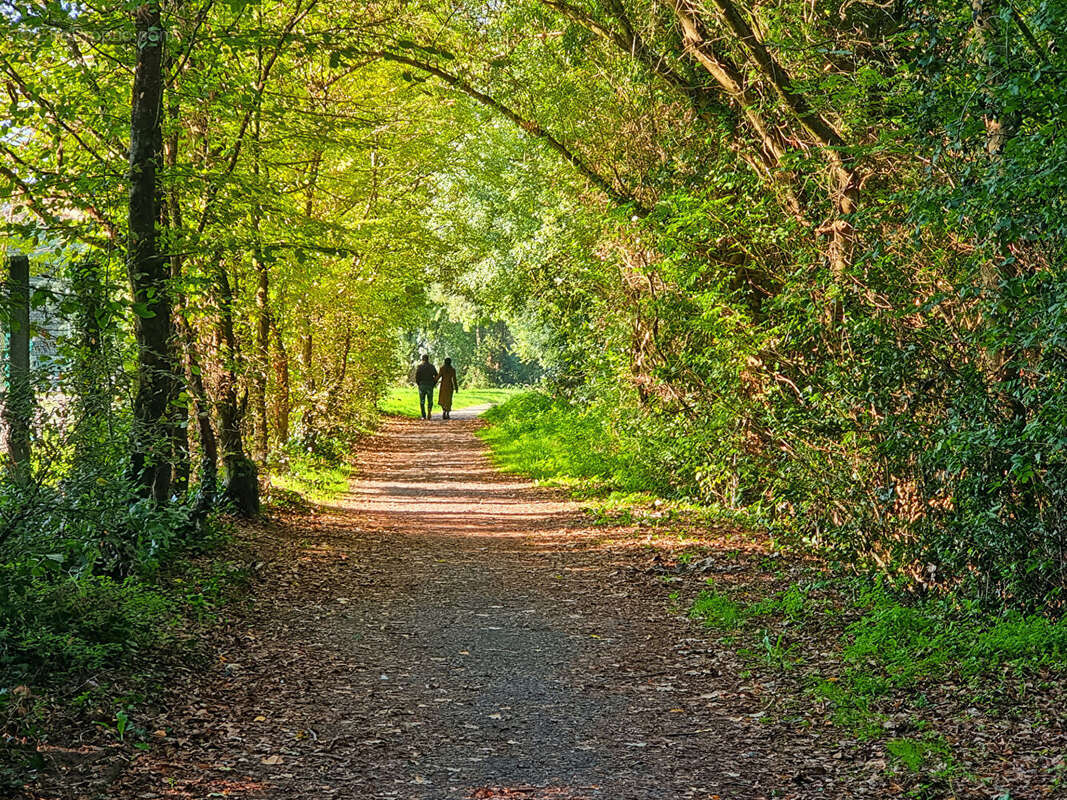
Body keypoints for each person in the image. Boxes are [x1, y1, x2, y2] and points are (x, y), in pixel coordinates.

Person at [414, 354, 438, 420]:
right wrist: (434, 383)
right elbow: (436, 375)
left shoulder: (420, 367)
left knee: (422, 401)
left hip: (422, 385)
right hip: (430, 385)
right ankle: (429, 412)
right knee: (430, 400)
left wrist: (419, 384)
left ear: (422, 359)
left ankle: (423, 415)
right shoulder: (432, 366)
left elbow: (416, 376)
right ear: (428, 359)